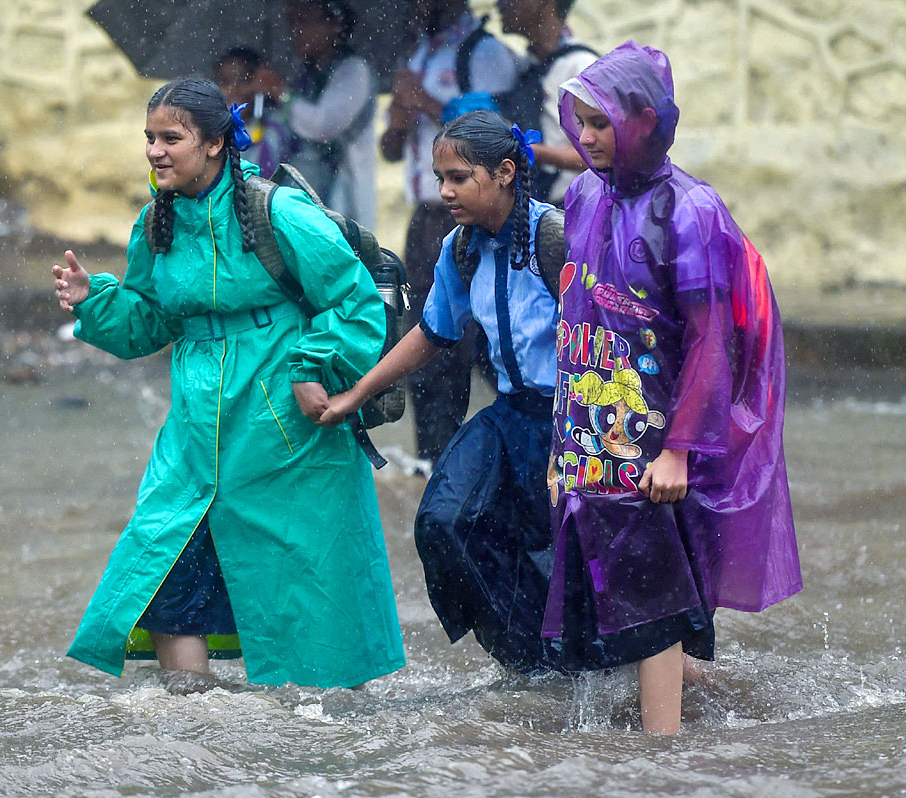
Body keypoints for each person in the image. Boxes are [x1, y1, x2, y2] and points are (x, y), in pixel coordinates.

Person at [52, 77, 405, 690]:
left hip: (284, 423)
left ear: (216, 143)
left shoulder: (280, 214)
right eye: (149, 139)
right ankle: (195, 728)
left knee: (302, 582)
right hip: (193, 428)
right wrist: (94, 301)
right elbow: (150, 321)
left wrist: (310, 368)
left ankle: (304, 735)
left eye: (171, 138)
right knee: (164, 567)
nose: (155, 151)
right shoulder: (156, 222)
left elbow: (354, 302)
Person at [547, 42, 803, 733]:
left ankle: (663, 754)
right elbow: (581, 313)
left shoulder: (690, 211)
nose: (589, 137)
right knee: (616, 585)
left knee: (653, 589)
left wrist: (680, 449)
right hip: (595, 424)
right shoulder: (581, 197)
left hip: (661, 429)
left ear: (645, 120)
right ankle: (710, 692)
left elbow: (711, 339)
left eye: (602, 122)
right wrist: (566, 435)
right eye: (581, 122)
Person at [320, 111, 560, 672]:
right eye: (439, 178)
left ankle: (591, 662)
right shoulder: (460, 249)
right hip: (509, 417)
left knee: (569, 555)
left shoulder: (557, 239)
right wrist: (357, 394)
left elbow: (613, 333)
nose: (445, 191)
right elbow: (432, 333)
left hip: (573, 423)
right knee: (443, 523)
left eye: (458, 177)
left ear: (504, 172)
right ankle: (527, 661)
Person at [380, 0, 519, 465]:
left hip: (473, 215)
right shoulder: (418, 56)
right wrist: (398, 121)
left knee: (486, 336)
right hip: (425, 217)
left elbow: (502, 140)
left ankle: (511, 451)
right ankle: (433, 462)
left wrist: (423, 100)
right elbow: (391, 149)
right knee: (429, 339)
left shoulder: (483, 54)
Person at [255, 0, 377, 226]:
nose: (294, 31)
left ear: (334, 24)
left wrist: (280, 92)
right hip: (303, 201)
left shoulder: (353, 70)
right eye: (290, 22)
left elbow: (323, 125)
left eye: (303, 20)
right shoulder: (306, 74)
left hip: (342, 202)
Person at [496, 0, 596, 205]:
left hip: (577, 208)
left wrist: (526, 148)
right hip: (540, 208)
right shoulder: (526, 68)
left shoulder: (582, 66)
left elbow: (599, 154)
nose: (499, 4)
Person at [213, 47, 291, 179]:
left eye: (244, 80)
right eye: (226, 82)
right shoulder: (205, 130)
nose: (234, 89)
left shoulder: (275, 128)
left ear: (260, 85)